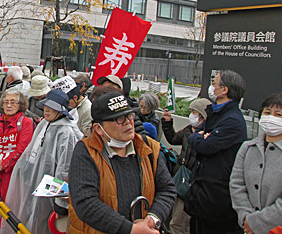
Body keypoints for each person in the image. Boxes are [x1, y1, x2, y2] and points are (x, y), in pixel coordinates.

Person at [69, 91, 176, 234]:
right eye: (119, 119)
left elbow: (167, 189)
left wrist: (151, 220)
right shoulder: (86, 152)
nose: (128, 122)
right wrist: (131, 230)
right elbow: (86, 202)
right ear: (99, 128)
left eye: (129, 116)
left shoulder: (148, 147)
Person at [4, 90, 83, 234]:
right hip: (37, 182)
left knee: (46, 222)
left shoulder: (66, 132)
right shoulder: (46, 123)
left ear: (61, 111)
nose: (46, 110)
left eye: (52, 108)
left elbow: (65, 169)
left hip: (51, 189)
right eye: (46, 106)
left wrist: (60, 202)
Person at [186, 69, 247, 234]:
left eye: (214, 84)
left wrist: (198, 137)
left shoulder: (232, 121)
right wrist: (200, 137)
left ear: (224, 89)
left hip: (216, 194)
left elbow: (206, 145)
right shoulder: (216, 113)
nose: (211, 87)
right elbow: (200, 136)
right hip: (201, 189)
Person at [230, 93, 282, 234]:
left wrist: (257, 223)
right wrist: (246, 218)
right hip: (246, 227)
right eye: (267, 112)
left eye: (278, 114)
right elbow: (236, 184)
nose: (271, 117)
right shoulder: (247, 148)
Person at [161, 98, 210, 234]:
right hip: (180, 178)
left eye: (195, 112)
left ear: (203, 116)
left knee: (178, 223)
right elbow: (173, 139)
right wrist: (167, 122)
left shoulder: (207, 135)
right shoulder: (188, 130)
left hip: (192, 183)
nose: (192, 116)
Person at [0, 90, 34, 209]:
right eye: (6, 102)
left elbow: (22, 149)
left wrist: (3, 164)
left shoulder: (25, 122)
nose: (9, 105)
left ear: (20, 105)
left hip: (12, 172)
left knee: (10, 207)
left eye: (13, 102)